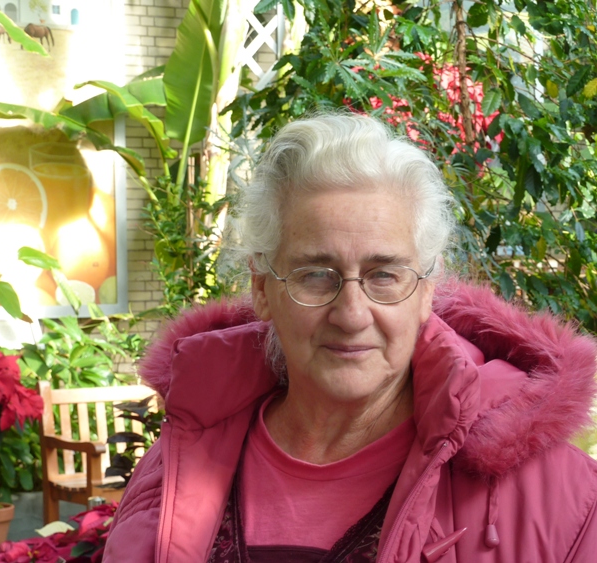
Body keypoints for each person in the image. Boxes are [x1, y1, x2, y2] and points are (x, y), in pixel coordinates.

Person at [102, 113, 597, 562]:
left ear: (426, 292)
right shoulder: (177, 465)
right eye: (316, 274)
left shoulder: (557, 496)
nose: (352, 313)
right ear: (263, 290)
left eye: (384, 275)